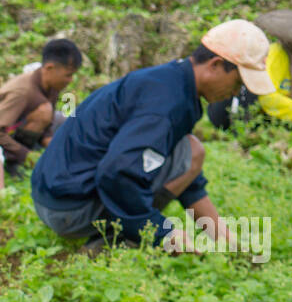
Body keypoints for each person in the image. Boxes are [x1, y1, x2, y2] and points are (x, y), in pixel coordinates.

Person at [31, 20, 272, 252]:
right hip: (68, 209)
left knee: (190, 150)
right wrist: (162, 232)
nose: (236, 93)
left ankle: (131, 228)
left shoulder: (172, 82)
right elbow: (117, 174)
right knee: (192, 151)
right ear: (215, 65)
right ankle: (116, 240)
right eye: (238, 82)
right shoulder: (166, 105)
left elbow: (189, 178)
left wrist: (225, 239)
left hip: (53, 197)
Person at [0, 38, 82, 178]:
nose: (70, 80)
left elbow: (48, 124)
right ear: (50, 68)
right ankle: (13, 163)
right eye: (68, 75)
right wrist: (27, 155)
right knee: (44, 111)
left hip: (21, 130)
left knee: (68, 120)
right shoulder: (22, 92)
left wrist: (52, 145)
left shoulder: (52, 86)